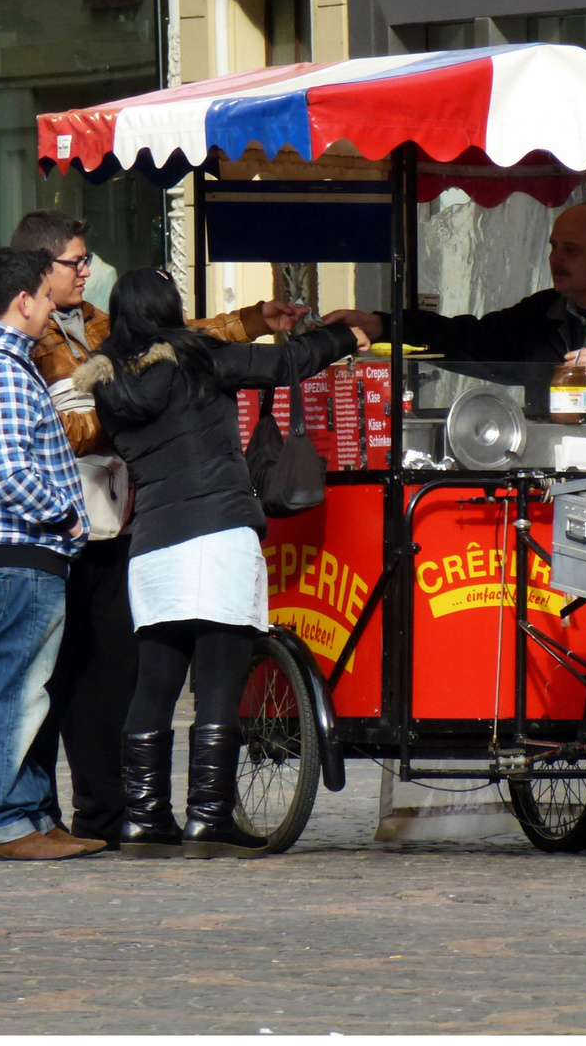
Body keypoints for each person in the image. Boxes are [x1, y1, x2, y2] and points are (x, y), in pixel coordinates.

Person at [10, 209, 306, 849]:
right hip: (83, 528)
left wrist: (253, 319)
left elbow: (173, 333)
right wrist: (112, 426)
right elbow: (49, 431)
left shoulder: (100, 336)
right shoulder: (29, 343)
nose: (86, 270)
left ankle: (134, 817)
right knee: (75, 685)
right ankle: (189, 815)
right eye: (75, 262)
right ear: (41, 269)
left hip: (135, 533)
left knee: (138, 681)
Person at [72, 268, 367, 858]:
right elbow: (284, 366)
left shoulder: (109, 384)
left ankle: (145, 821)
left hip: (152, 544)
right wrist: (346, 339)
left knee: (153, 685)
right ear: (170, 309)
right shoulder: (198, 358)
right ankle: (209, 818)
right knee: (218, 683)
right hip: (217, 533)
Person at [0, 247, 100, 862]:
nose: (51, 306)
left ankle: (34, 815)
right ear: (23, 301)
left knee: (24, 690)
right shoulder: (3, 369)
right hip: (20, 554)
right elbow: (12, 474)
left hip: (13, 555)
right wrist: (65, 515)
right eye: (45, 294)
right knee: (13, 691)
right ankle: (9, 823)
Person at [325, 201, 586, 472]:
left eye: (571, 250)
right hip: (555, 476)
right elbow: (469, 339)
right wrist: (384, 325)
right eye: (553, 247)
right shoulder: (542, 313)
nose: (556, 259)